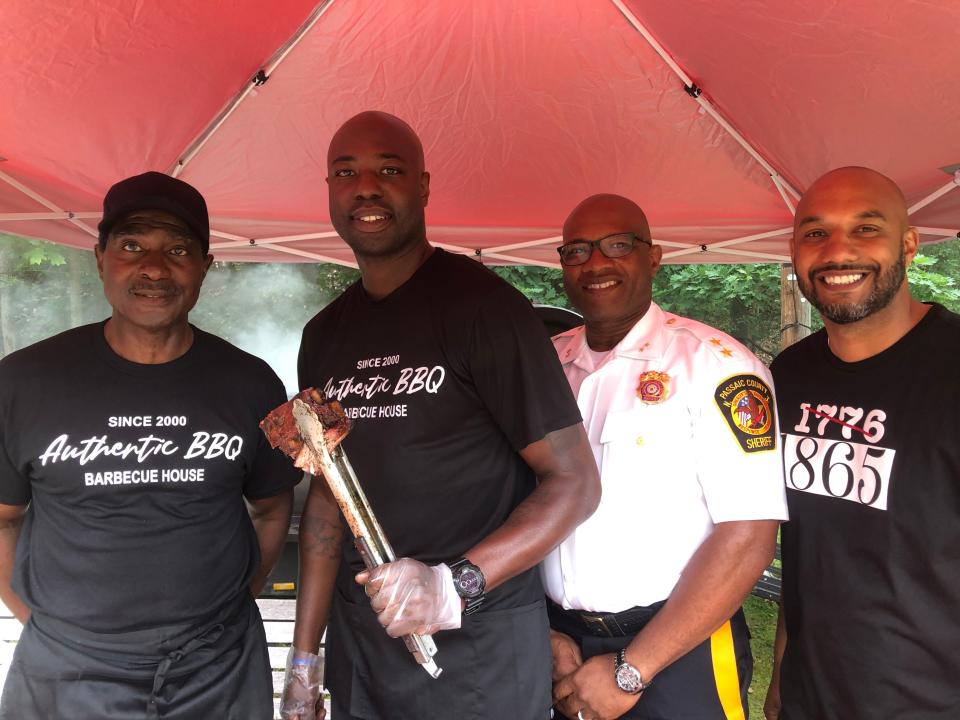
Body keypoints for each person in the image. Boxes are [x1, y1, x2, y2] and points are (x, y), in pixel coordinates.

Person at [284, 111, 601, 720]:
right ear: (329, 190)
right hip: (364, 646)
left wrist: (454, 586)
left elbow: (576, 483)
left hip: (478, 649)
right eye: (346, 172)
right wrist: (305, 661)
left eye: (389, 171)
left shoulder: (484, 310)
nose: (366, 187)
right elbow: (327, 499)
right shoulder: (324, 336)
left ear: (424, 187)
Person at [0, 171, 300, 719]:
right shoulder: (22, 382)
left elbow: (273, 507)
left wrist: (229, 607)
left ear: (205, 267)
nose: (154, 268)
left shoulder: (250, 384)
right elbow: (2, 518)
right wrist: (47, 625)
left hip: (217, 674)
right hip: (66, 678)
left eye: (178, 249)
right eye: (132, 245)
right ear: (99, 257)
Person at [546, 194, 788, 720]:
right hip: (559, 651)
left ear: (652, 256)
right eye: (578, 250)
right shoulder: (544, 367)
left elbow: (748, 538)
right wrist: (539, 629)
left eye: (617, 245)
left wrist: (633, 668)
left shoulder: (720, 367)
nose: (596, 263)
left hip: (680, 653)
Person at [763, 167, 960, 720]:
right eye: (815, 233)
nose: (838, 251)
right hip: (811, 696)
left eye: (866, 229)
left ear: (910, 245)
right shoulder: (790, 376)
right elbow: (806, 546)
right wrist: (782, 671)